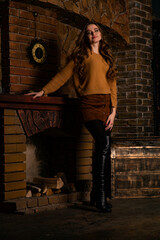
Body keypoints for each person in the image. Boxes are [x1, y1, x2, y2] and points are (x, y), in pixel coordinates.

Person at [27, 21, 117, 212]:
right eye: (89, 32)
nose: (93, 33)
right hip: (89, 105)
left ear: (100, 34)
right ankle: (100, 197)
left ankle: (95, 195)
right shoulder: (79, 57)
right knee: (103, 145)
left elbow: (113, 86)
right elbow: (61, 76)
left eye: (96, 30)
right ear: (85, 36)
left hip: (106, 106)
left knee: (104, 148)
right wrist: (43, 92)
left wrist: (113, 111)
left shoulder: (107, 58)